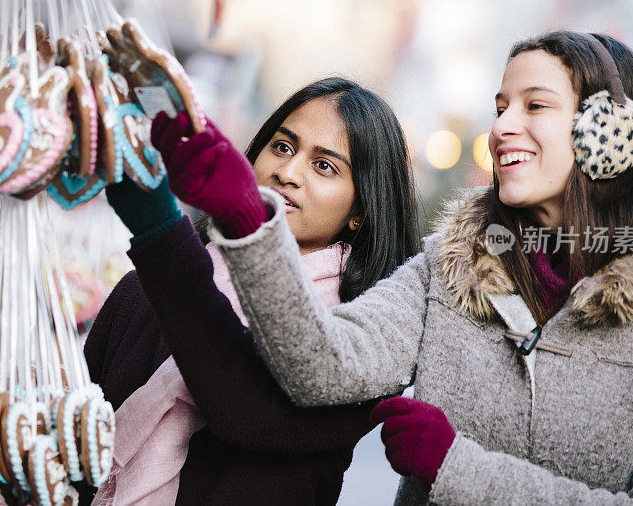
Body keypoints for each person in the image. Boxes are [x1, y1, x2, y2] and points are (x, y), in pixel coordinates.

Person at [164, 31, 633, 504]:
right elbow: (320, 365)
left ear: (614, 135)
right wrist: (248, 222)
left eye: (534, 107)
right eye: (500, 108)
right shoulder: (450, 268)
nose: (501, 129)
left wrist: (457, 470)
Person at [83, 77, 421, 504]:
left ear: (360, 209)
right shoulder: (143, 291)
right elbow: (72, 449)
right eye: (282, 146)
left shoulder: (362, 340)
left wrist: (160, 228)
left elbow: (244, 407)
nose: (287, 171)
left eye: (324, 166)